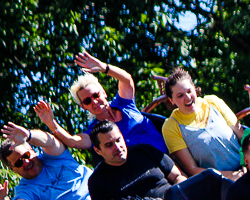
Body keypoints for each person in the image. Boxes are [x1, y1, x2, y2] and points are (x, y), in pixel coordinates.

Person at [32, 50, 167, 153]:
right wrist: (51, 123)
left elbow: (127, 80)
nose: (94, 102)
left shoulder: (124, 104)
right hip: (147, 170)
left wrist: (104, 68)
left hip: (167, 155)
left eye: (96, 95)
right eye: (88, 101)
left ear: (104, 93)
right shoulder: (96, 132)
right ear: (83, 106)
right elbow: (73, 141)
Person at [160, 67, 244, 179]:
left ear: (195, 89)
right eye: (180, 96)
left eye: (189, 91)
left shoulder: (213, 102)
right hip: (216, 182)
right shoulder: (171, 126)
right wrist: (229, 176)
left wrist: (247, 166)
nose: (187, 98)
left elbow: (244, 138)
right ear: (171, 100)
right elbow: (192, 170)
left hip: (246, 169)